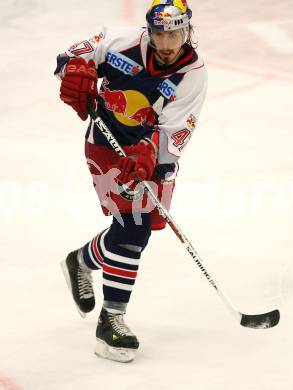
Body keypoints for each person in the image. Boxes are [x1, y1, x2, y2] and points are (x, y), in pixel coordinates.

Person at [55, 0, 207, 363]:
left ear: (188, 31)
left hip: (151, 155)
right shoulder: (119, 41)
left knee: (144, 226)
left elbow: (177, 130)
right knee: (133, 228)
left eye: (174, 33)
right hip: (105, 144)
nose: (167, 43)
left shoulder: (193, 72)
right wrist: (74, 70)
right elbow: (69, 58)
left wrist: (149, 153)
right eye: (159, 33)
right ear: (148, 30)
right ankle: (112, 321)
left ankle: (81, 261)